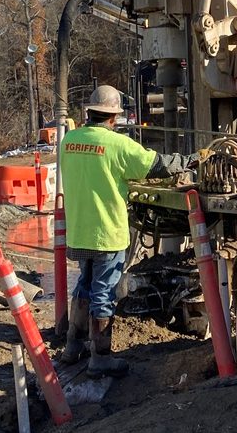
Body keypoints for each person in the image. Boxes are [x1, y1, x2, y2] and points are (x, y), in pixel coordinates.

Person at [59, 85, 192, 376]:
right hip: (107, 233)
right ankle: (101, 357)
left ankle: (73, 346)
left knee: (85, 283)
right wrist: (188, 162)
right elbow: (155, 165)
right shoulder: (116, 144)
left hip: (80, 232)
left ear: (90, 112)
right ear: (114, 117)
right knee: (103, 293)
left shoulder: (69, 140)